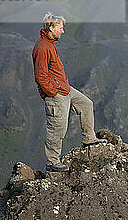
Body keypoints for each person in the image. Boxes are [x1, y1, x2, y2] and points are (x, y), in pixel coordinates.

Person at [32, 12, 106, 172]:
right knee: (58, 128)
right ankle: (52, 162)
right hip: (56, 94)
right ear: (51, 28)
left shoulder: (50, 43)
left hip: (65, 90)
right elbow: (40, 75)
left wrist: (61, 88)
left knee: (86, 104)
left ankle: (89, 138)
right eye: (60, 27)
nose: (63, 31)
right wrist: (52, 92)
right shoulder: (43, 47)